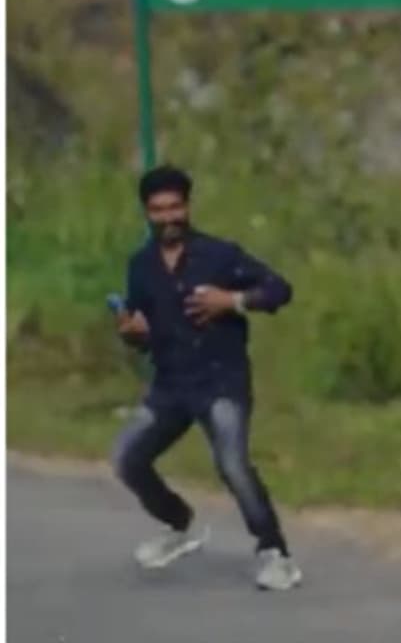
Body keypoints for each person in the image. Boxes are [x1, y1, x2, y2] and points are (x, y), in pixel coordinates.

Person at [111, 164, 302, 591]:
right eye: (159, 210)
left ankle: (275, 553)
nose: (168, 217)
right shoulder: (141, 266)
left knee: (232, 464)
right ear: (147, 213)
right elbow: (144, 330)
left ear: (188, 206)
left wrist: (232, 300)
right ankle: (179, 525)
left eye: (175, 207)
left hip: (221, 380)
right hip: (170, 385)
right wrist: (134, 332)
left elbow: (280, 289)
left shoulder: (220, 255)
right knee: (127, 458)